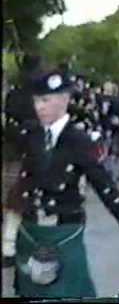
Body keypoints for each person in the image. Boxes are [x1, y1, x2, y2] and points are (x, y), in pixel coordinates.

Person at [4, 69, 119, 297]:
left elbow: (104, 186)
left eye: (46, 100)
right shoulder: (30, 133)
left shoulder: (79, 140)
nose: (40, 107)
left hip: (65, 231)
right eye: (37, 100)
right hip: (30, 232)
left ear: (64, 100)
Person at [2, 54, 43, 268]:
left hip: (14, 152)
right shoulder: (39, 94)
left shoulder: (14, 93)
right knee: (22, 203)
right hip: (30, 152)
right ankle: (15, 246)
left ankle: (9, 247)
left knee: (14, 202)